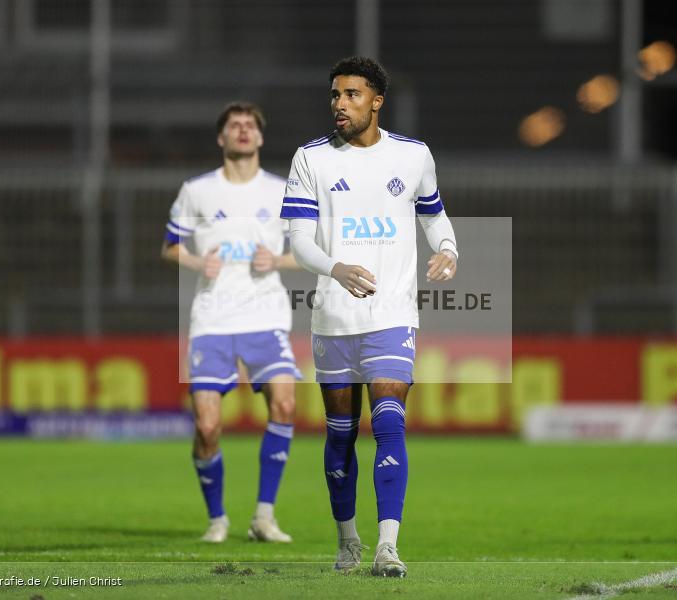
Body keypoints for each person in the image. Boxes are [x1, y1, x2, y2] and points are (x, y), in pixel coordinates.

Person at [280, 57, 458, 577]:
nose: (339, 104)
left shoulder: (413, 156)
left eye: (351, 95)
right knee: (340, 433)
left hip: (392, 312)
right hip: (333, 318)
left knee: (387, 421)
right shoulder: (311, 159)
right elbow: (298, 242)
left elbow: (434, 215)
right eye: (335, 95)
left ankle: (388, 546)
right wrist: (336, 268)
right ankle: (347, 538)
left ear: (376, 100)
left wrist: (448, 248)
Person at [162, 101, 301, 544]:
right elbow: (169, 246)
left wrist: (277, 258)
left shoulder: (283, 190)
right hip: (213, 318)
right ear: (221, 138)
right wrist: (196, 261)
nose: (242, 131)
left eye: (249, 126)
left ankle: (264, 517)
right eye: (234, 125)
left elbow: (312, 251)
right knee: (206, 426)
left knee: (284, 404)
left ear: (260, 138)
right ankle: (217, 518)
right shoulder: (197, 190)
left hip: (266, 314)